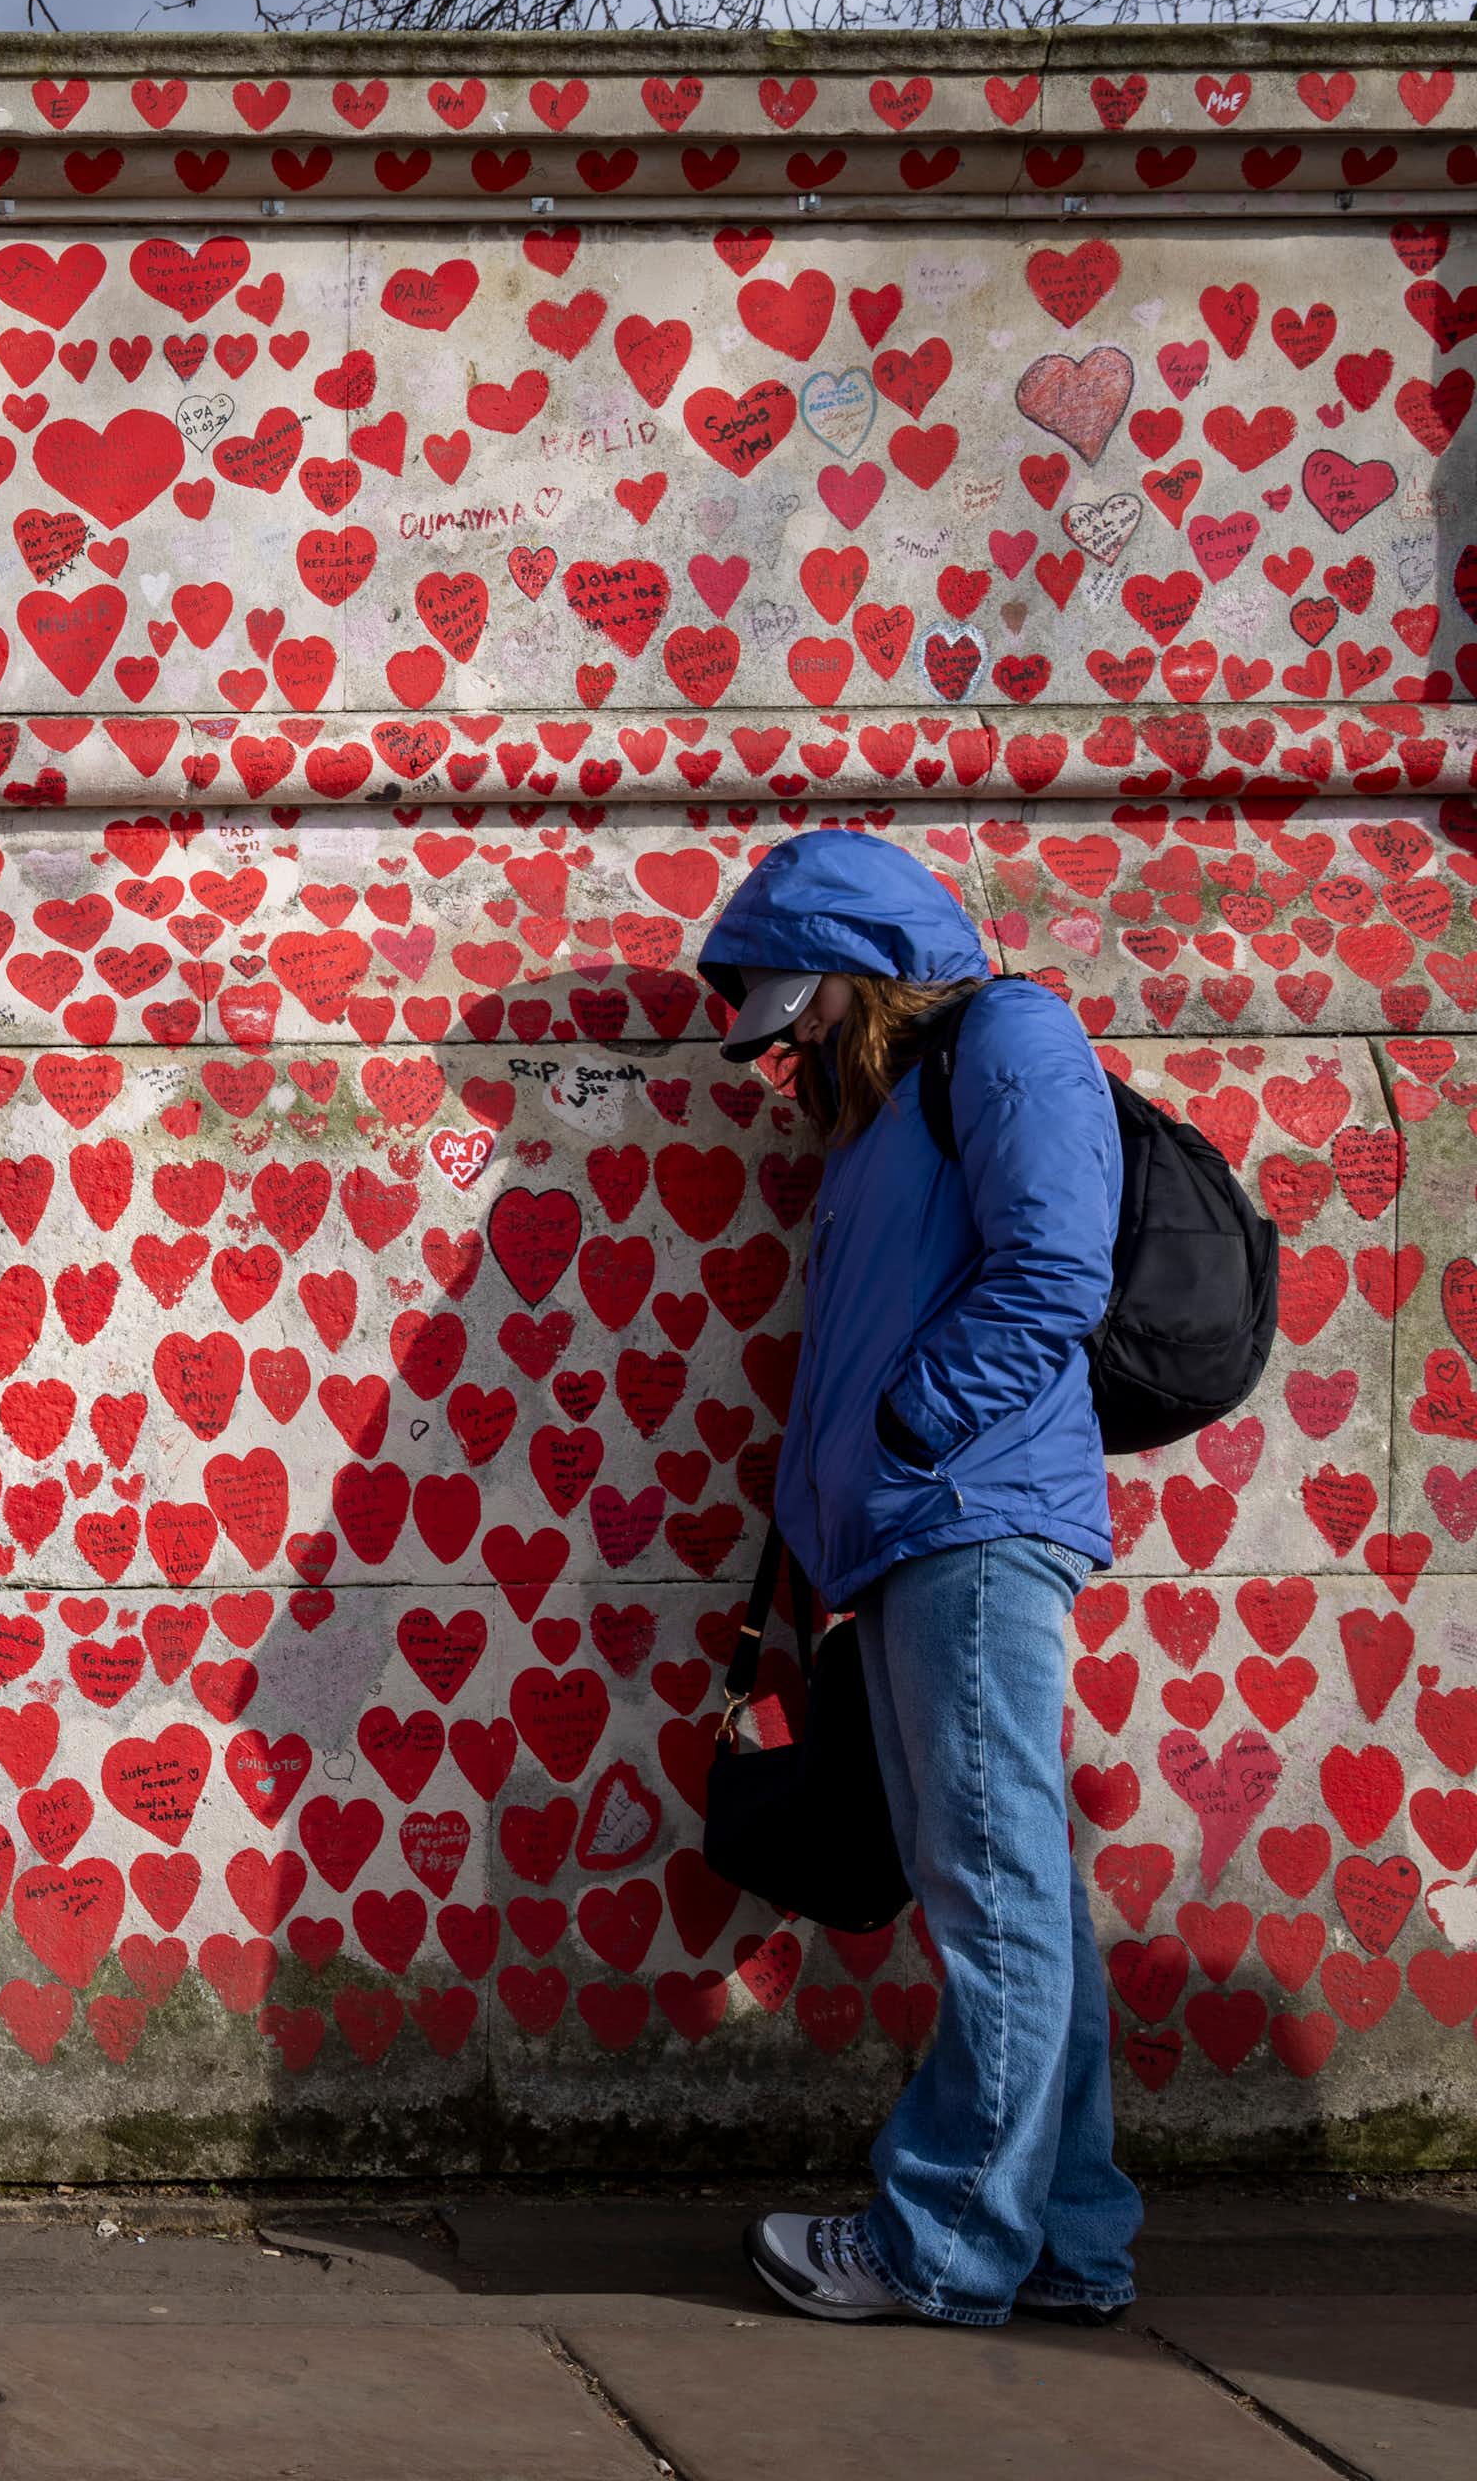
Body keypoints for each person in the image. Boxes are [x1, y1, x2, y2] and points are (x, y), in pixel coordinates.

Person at [694, 827, 1142, 2330]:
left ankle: (938, 2241)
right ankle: (1069, 2238)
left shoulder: (1011, 1033)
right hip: (909, 1530)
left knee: (994, 1891)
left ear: (863, 968)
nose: (791, 1045)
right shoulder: (889, 1111)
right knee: (1024, 1899)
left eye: (801, 1007)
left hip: (968, 1515)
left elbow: (1055, 1270)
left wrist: (908, 1426)